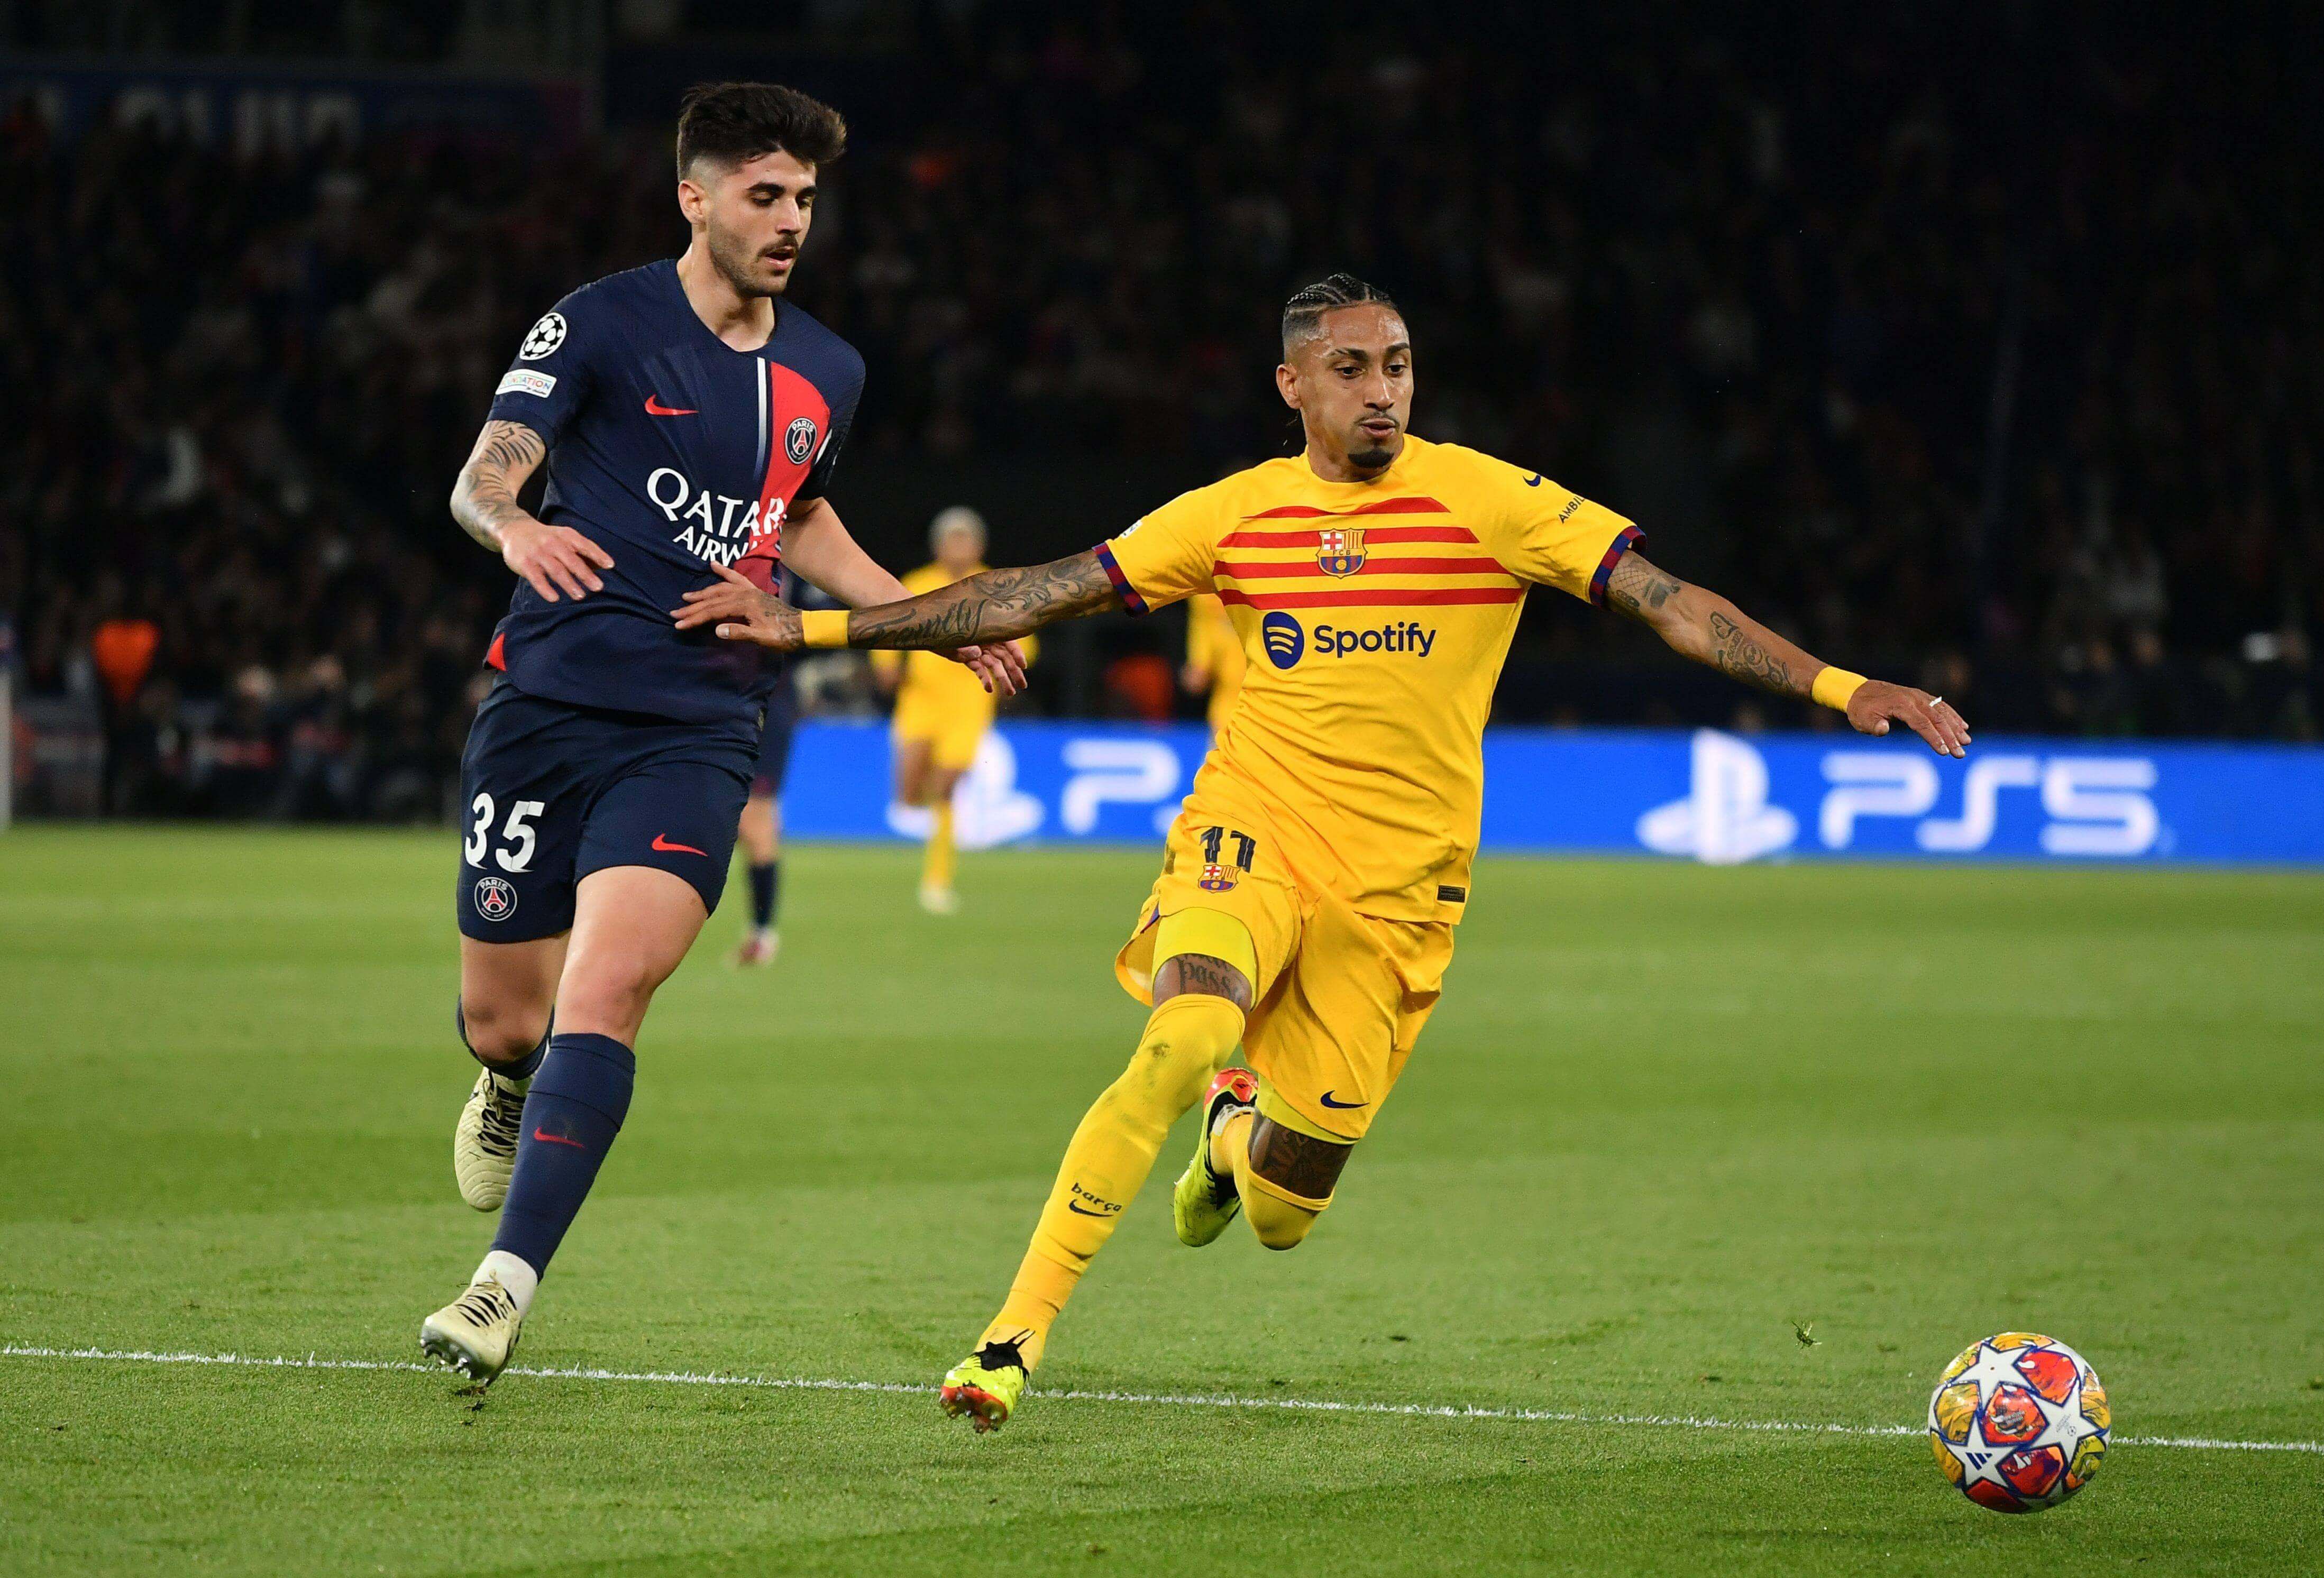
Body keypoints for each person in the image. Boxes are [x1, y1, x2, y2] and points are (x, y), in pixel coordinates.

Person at [670, 273, 1970, 1433]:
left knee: (1288, 1213)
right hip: (1255, 831)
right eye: (1350, 368)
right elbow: (1035, 591)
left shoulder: (1491, 501)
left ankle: (1237, 1146)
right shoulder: (1235, 514)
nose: (1380, 390)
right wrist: (813, 634)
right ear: (1292, 385)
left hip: (1403, 896)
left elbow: (1673, 602)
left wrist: (1839, 685)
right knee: (1179, 1039)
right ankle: (1011, 1338)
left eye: (1396, 363)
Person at [420, 81, 1024, 1386]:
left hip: (697, 724)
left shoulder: (831, 367)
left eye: (807, 197)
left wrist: (932, 616)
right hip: (544, 709)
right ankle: (508, 1083)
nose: (793, 218)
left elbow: (800, 520)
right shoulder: (597, 320)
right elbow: (486, 470)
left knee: (610, 989)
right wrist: (517, 528)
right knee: (505, 1019)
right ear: (694, 197)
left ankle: (498, 1289)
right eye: (765, 194)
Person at [873, 507, 1033, 914]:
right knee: (909, 795)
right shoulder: (916, 584)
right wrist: (888, 667)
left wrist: (1007, 678)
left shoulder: (997, 588)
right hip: (920, 699)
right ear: (938, 545)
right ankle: (920, 860)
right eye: (951, 539)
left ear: (979, 545)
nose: (958, 547)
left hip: (969, 702)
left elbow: (1023, 641)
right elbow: (886, 626)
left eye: (965, 539)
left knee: (945, 788)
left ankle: (937, 879)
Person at [733, 576, 834, 966]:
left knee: (757, 820)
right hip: (704, 701)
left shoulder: (795, 573)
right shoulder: (710, 546)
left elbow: (826, 622)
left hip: (767, 706)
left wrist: (787, 627)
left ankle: (762, 933)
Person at [1179, 591, 1245, 733]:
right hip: (1229, 707)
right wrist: (1200, 663)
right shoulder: (1203, 594)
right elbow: (1203, 624)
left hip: (1276, 704)